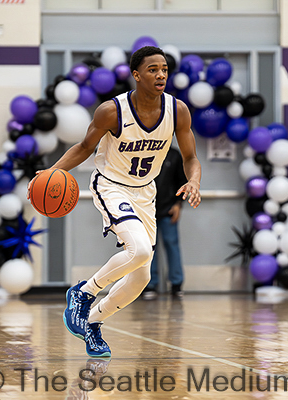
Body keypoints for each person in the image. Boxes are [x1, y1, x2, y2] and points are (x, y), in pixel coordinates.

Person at [27, 46, 202, 358]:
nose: (161, 74)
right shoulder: (112, 111)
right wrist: (53, 172)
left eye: (163, 69)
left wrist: (194, 180)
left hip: (146, 192)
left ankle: (92, 322)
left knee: (142, 277)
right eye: (152, 69)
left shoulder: (178, 111)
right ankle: (83, 293)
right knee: (140, 250)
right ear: (136, 75)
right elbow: (83, 147)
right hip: (111, 186)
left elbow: (190, 158)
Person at [143, 147, 187, 300]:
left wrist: (178, 204)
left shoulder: (174, 155)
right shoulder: (142, 153)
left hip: (168, 209)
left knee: (171, 244)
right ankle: (149, 284)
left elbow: (182, 181)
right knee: (148, 249)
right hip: (146, 210)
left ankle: (176, 284)